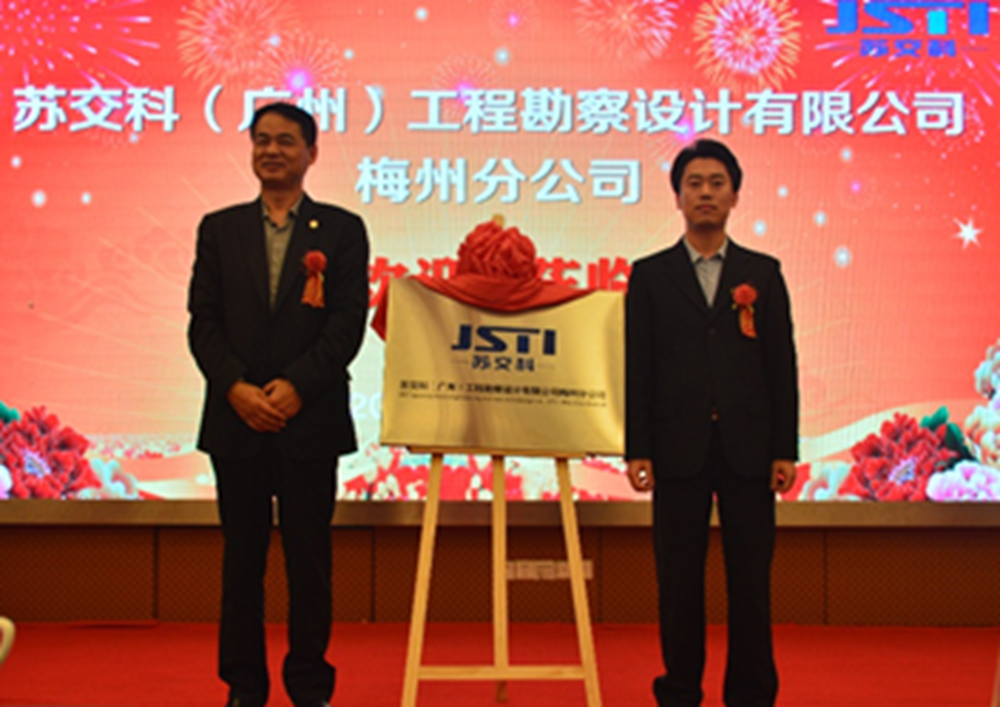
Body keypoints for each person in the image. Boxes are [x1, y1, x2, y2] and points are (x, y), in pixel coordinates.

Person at [187, 102, 369, 707]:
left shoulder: (341, 230)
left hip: (309, 421)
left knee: (308, 562)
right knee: (241, 563)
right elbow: (203, 322)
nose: (271, 150)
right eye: (261, 140)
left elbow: (346, 324)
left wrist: (296, 386)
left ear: (311, 153)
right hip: (235, 421)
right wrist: (235, 387)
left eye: (286, 141)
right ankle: (244, 685)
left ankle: (309, 685)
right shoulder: (220, 228)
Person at [625, 139, 798, 707]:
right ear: (678, 197)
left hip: (750, 448)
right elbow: (639, 367)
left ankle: (751, 692)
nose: (705, 193)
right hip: (677, 447)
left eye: (717, 183)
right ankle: (680, 689)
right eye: (694, 183)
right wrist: (638, 448)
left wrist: (784, 448)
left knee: (751, 579)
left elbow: (780, 365)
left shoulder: (762, 274)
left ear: (735, 196)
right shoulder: (650, 276)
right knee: (678, 581)